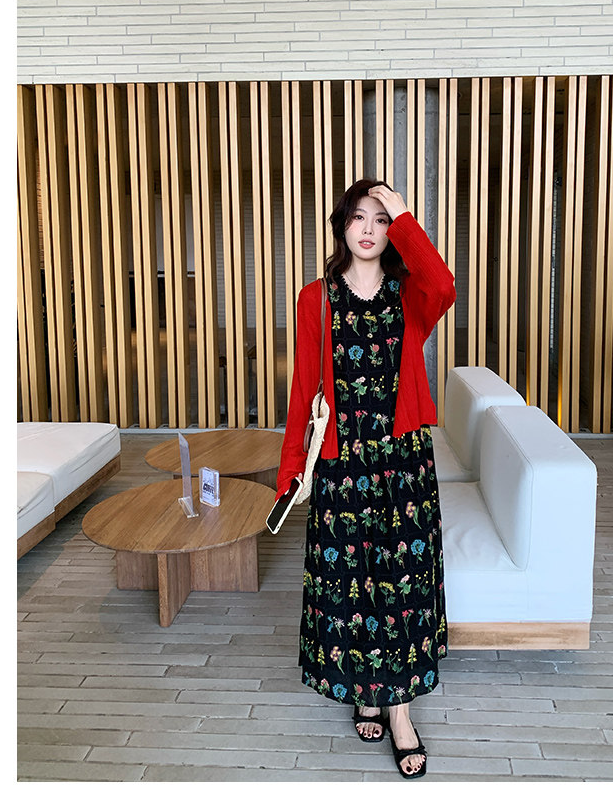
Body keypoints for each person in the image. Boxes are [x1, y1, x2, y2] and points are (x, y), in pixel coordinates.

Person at [275, 179, 456, 779]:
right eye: (359, 217)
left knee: (401, 587)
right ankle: (366, 690)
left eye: (381, 219)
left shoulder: (411, 295)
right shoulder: (315, 299)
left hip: (403, 462)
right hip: (343, 462)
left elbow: (445, 285)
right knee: (352, 585)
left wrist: (404, 214)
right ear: (342, 227)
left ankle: (399, 712)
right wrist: (289, 471)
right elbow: (303, 387)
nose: (370, 229)